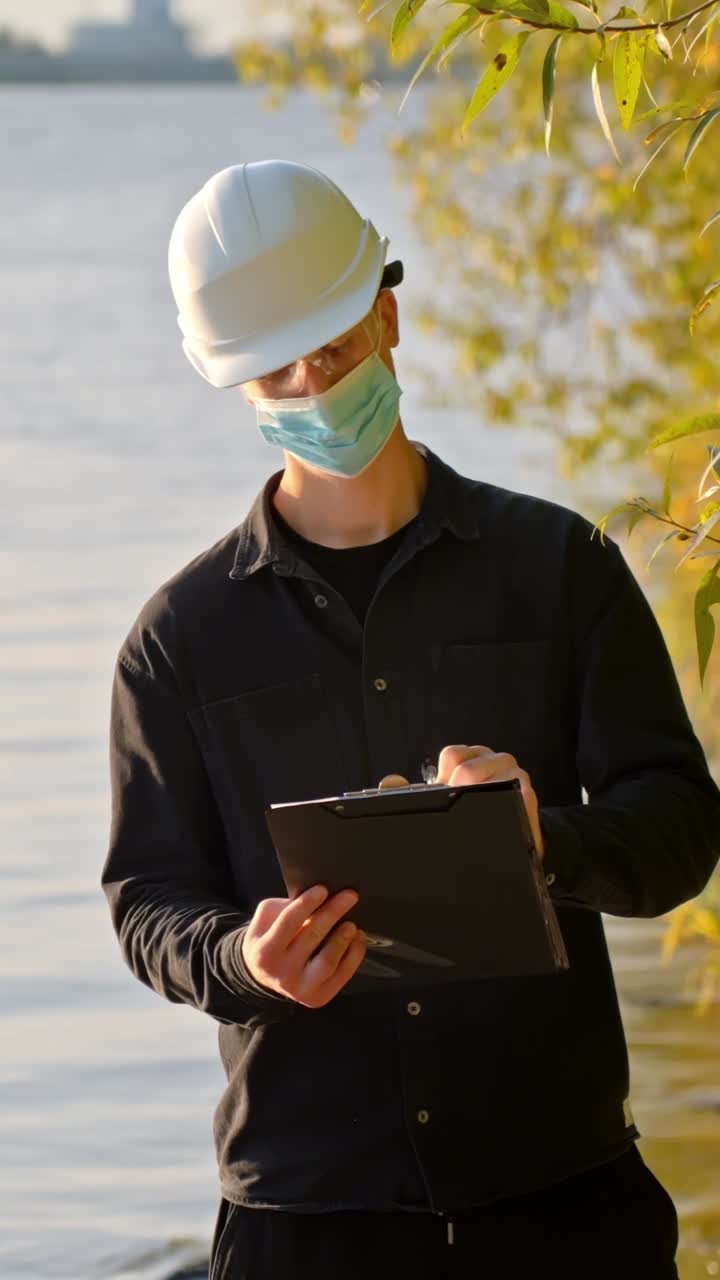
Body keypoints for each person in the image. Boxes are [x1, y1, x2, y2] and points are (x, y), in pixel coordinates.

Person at [101, 159, 720, 1280]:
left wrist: (546, 836)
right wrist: (245, 958)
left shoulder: (561, 568)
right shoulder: (175, 640)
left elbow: (681, 827)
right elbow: (145, 901)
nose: (312, 384)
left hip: (563, 1201)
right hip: (304, 1215)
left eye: (332, 346)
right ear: (236, 384)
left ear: (387, 314)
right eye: (276, 371)